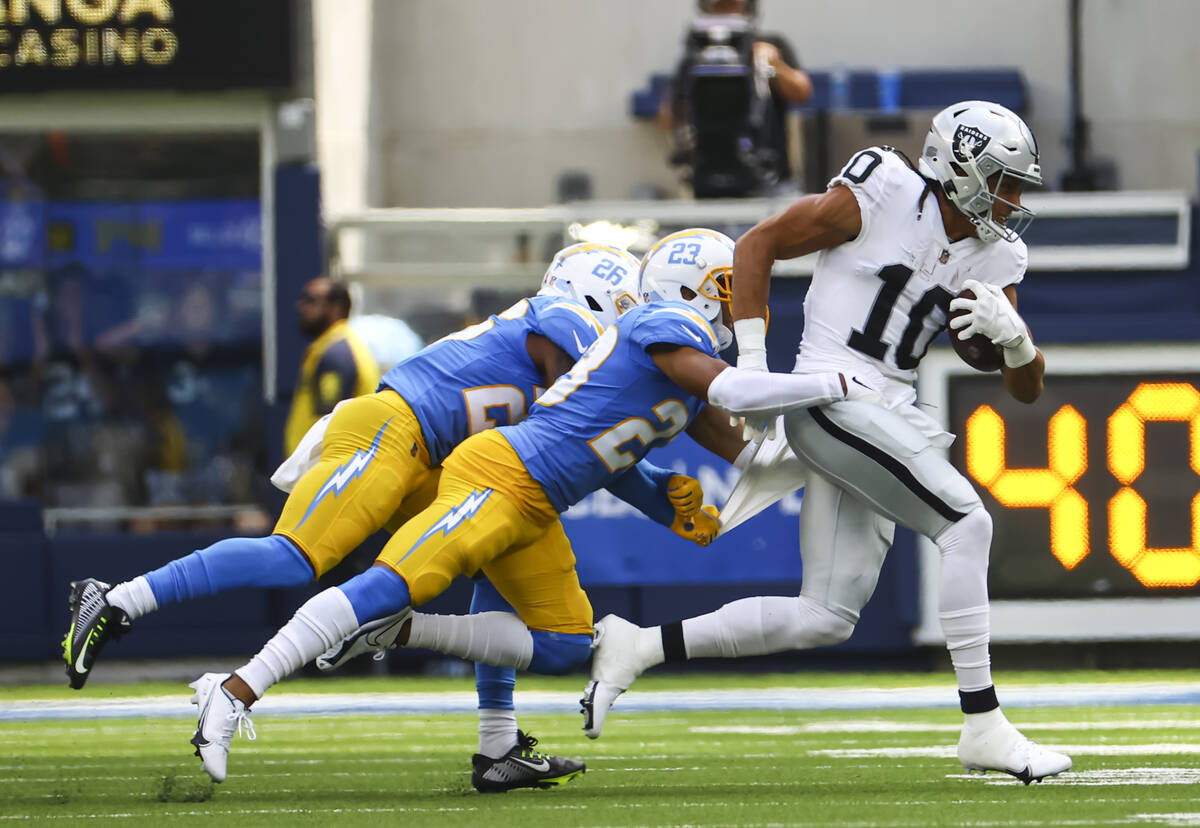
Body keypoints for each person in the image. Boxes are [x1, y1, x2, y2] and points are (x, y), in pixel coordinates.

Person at [185, 228, 879, 785]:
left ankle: (395, 635)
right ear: (690, 289)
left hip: (539, 501)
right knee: (396, 580)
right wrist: (834, 382)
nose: (739, 305)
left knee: (565, 645)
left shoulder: (687, 371)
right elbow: (735, 392)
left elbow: (763, 457)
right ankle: (238, 690)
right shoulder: (663, 327)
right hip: (503, 474)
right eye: (729, 289)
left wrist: (855, 463)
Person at [62, 243, 705, 792]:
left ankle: (498, 747)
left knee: (533, 603)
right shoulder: (562, 321)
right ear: (599, 301)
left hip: (459, 465)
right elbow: (585, 416)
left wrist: (662, 499)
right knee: (296, 556)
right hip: (395, 433)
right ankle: (117, 601)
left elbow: (589, 448)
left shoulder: (564, 334)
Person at [582, 102, 1074, 785]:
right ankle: (983, 724)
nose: (1012, 199)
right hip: (830, 396)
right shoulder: (885, 189)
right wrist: (752, 365)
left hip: (883, 413)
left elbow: (1024, 388)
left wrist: (1017, 340)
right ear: (958, 168)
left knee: (824, 617)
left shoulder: (997, 253)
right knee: (966, 522)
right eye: (1003, 180)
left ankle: (638, 646)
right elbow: (759, 244)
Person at [660, 0, 813, 196]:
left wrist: (774, 66)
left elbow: (802, 92)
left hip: (769, 175)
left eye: (733, 5)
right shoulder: (695, 58)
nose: (728, 14)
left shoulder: (768, 46)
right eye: (720, 7)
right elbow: (668, 119)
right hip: (710, 176)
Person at [283, 277, 380, 456]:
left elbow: (328, 424)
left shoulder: (336, 354)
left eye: (310, 300)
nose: (301, 307)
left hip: (323, 471)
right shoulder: (333, 347)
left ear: (336, 308)